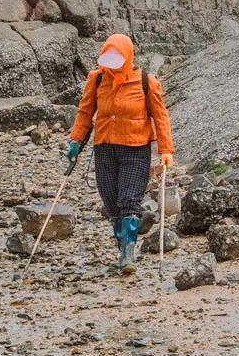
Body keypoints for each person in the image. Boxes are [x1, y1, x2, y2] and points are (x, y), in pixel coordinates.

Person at [67, 34, 174, 273]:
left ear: (127, 57)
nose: (110, 67)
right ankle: (122, 248)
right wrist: (75, 141)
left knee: (128, 199)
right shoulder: (96, 79)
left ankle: (128, 255)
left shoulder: (147, 81)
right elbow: (84, 113)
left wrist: (165, 150)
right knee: (110, 200)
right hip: (104, 148)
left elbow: (160, 117)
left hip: (135, 149)